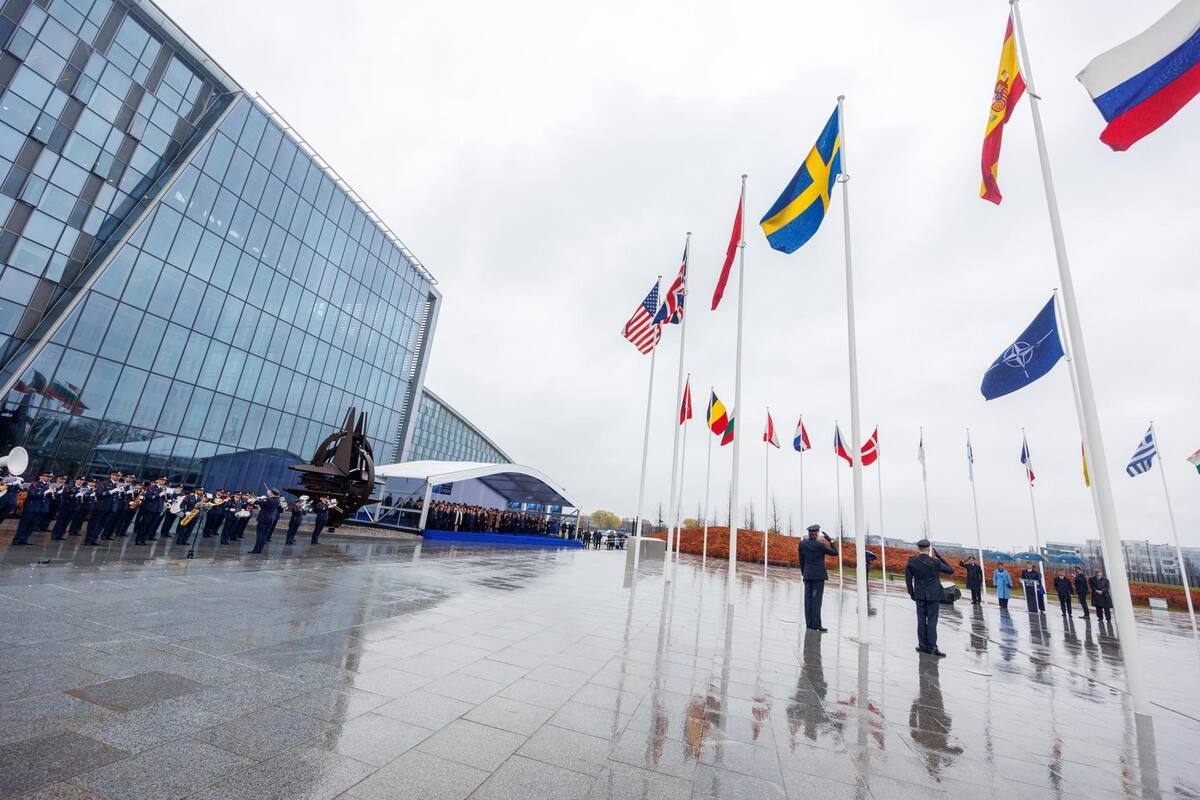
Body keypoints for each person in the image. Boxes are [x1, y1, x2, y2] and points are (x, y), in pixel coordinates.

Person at [905, 539, 954, 657]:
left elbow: (908, 580)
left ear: (918, 549)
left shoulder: (912, 562)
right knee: (932, 622)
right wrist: (939, 556)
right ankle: (932, 647)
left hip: (920, 596)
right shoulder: (935, 562)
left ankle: (922, 646)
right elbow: (950, 570)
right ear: (928, 548)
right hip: (933, 596)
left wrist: (912, 594)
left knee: (921, 621)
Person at [797, 524, 838, 632]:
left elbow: (801, 561)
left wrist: (804, 573)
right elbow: (835, 553)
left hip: (807, 575)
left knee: (808, 600)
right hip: (818, 576)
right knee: (816, 601)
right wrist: (831, 541)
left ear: (809, 533)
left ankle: (809, 624)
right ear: (816, 533)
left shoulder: (802, 544)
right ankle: (817, 625)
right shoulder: (820, 545)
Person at [12, 473, 50, 545]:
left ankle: (24, 539)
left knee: (33, 525)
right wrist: (44, 492)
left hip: (41, 509)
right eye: (46, 476)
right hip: (31, 508)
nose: (48, 478)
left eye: (49, 477)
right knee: (24, 524)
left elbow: (49, 499)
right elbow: (33, 495)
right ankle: (17, 539)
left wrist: (53, 493)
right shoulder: (34, 484)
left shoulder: (48, 485)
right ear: (41, 476)